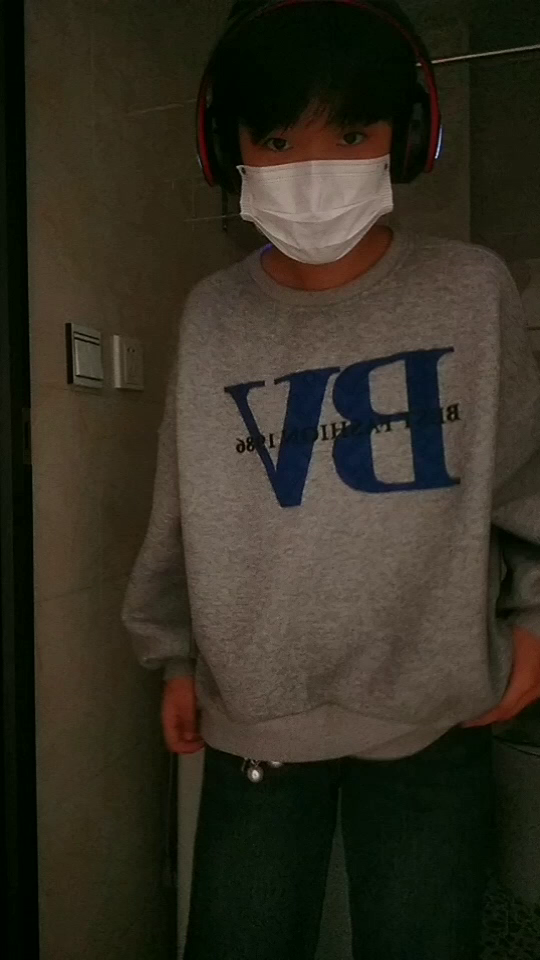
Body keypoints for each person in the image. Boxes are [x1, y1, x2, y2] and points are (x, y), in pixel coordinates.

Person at [122, 2, 540, 958]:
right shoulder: (212, 315)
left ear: (409, 138)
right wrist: (173, 655)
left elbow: (526, 475)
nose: (312, 168)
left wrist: (537, 619)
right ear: (225, 150)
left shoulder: (472, 290)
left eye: (350, 133)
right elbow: (180, 507)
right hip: (257, 723)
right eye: (276, 139)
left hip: (435, 719)